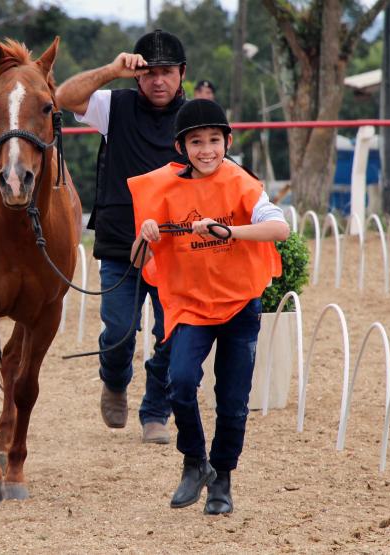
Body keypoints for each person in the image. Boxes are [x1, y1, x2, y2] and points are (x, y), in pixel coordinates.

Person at [128, 99, 289, 514]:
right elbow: (139, 261)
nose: (206, 150)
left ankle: (223, 479)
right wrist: (145, 237)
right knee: (179, 382)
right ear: (181, 147)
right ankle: (194, 462)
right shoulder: (161, 188)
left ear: (227, 141)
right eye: (196, 142)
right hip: (189, 307)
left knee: (233, 402)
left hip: (239, 306)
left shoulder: (242, 183)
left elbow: (281, 228)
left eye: (214, 141)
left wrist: (229, 230)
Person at [56, 29, 188, 444]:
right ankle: (114, 383)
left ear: (182, 73)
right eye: (150, 73)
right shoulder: (114, 106)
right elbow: (63, 97)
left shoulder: (196, 116)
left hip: (177, 249)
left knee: (171, 333)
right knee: (117, 333)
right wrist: (111, 70)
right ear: (136, 76)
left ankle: (155, 412)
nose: (159, 81)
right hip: (120, 242)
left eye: (167, 72)